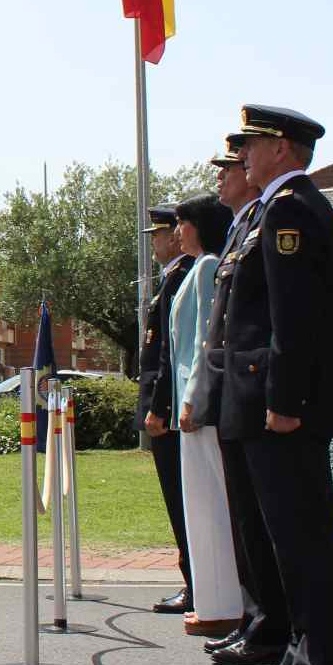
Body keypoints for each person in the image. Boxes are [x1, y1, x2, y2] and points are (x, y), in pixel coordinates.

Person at [219, 105, 333, 665]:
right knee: (291, 540)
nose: (243, 153)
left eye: (252, 143)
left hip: (286, 407)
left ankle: (318, 664)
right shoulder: (279, 206)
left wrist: (285, 400)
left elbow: (292, 318)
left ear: (283, 149)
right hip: (276, 400)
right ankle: (303, 653)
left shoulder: (291, 206)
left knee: (302, 540)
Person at [195, 135, 280, 663]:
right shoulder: (242, 228)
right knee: (246, 519)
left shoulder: (275, 217)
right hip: (234, 391)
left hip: (257, 392)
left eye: (232, 165)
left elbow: (280, 319)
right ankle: (258, 618)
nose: (227, 173)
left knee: (269, 524)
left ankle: (273, 625)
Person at [168, 193, 243, 638]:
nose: (177, 231)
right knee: (200, 506)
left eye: (183, 222)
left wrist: (194, 397)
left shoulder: (210, 266)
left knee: (213, 503)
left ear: (200, 226)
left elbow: (203, 341)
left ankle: (224, 603)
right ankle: (214, 600)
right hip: (188, 404)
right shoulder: (197, 268)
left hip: (200, 406)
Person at [134, 206, 195, 615]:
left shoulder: (184, 275)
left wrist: (160, 407)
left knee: (184, 501)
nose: (153, 242)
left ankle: (196, 582)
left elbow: (171, 355)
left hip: (170, 412)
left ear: (176, 235)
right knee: (179, 502)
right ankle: (194, 579)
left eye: (158, 234)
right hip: (166, 409)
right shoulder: (171, 277)